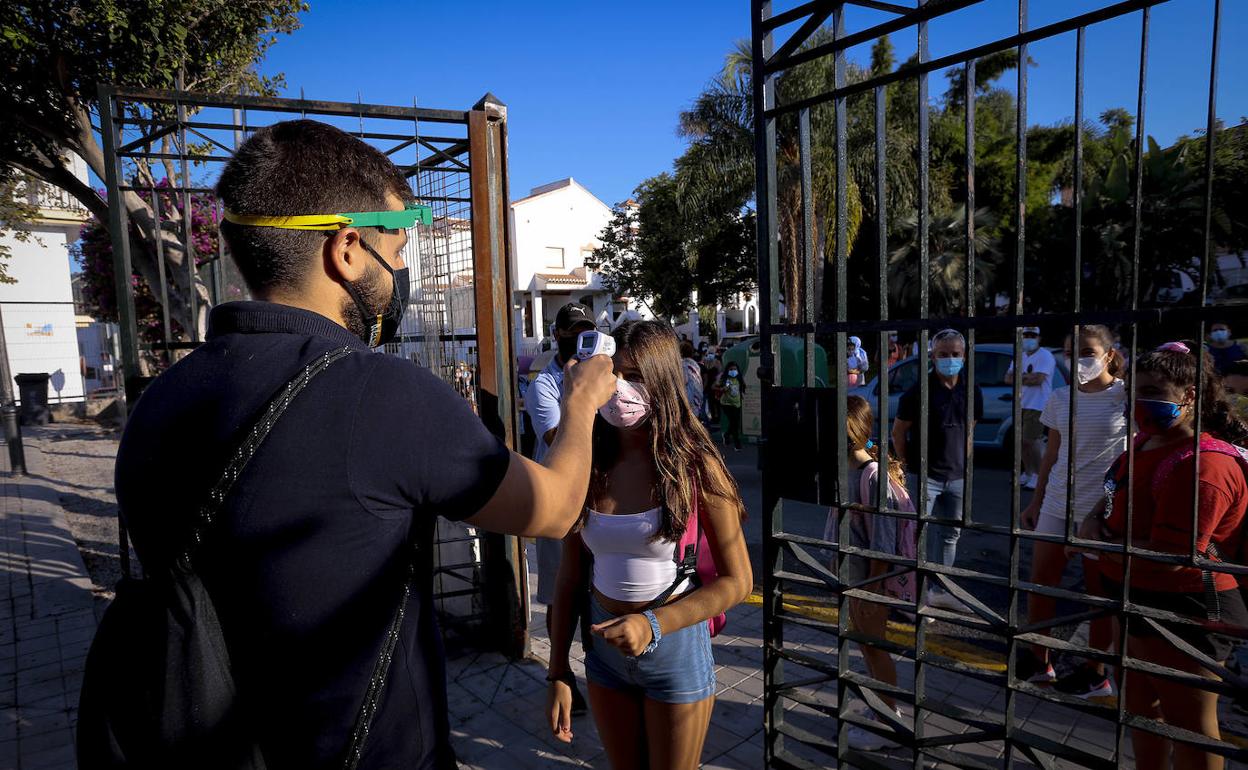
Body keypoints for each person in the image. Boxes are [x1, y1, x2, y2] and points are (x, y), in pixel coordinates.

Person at [109, 121, 618, 769]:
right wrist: (579, 405)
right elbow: (552, 508)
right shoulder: (380, 394)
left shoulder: (162, 401)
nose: (400, 270)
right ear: (347, 248)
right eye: (398, 247)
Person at [546, 320, 752, 769]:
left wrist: (653, 625)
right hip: (602, 655)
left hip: (675, 651)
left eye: (636, 376)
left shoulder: (697, 465)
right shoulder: (585, 461)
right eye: (613, 372)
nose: (620, 387)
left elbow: (739, 582)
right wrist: (558, 668)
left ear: (662, 381)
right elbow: (570, 576)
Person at [1078, 342, 1248, 770]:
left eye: (1152, 390)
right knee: (1142, 709)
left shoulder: (1204, 466)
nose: (1139, 401)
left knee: (1190, 727)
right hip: (1138, 594)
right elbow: (1115, 490)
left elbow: (1173, 556)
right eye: (1134, 390)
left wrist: (1100, 546)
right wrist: (1092, 522)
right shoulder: (1146, 441)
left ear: (1189, 395)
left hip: (1188, 609)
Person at [1019, 325, 1128, 696]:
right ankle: (1039, 661)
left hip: (1102, 511)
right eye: (1071, 351)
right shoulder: (1060, 398)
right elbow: (1051, 454)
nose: (1078, 358)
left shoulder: (1125, 397)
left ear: (1109, 355)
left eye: (1087, 350)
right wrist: (1035, 501)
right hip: (1056, 504)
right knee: (1039, 585)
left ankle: (1095, 672)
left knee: (1100, 597)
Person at [826, 395, 916, 750]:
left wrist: (871, 590)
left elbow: (883, 543)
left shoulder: (872, 477)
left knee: (875, 649)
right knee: (866, 648)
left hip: (868, 582)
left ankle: (888, 720)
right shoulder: (848, 469)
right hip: (854, 578)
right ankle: (881, 709)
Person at [525, 302, 598, 715]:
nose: (579, 337)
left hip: (597, 501)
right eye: (572, 330)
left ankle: (595, 673)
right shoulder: (547, 384)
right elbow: (558, 437)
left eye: (586, 329)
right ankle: (562, 672)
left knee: (594, 591)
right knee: (560, 592)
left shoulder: (602, 373)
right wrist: (582, 394)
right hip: (559, 502)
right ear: (558, 335)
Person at [892, 329, 983, 611]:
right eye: (943, 354)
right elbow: (898, 433)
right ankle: (912, 591)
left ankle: (940, 589)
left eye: (955, 354)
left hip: (957, 477)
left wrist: (964, 463)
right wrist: (907, 468)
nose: (950, 359)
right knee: (916, 533)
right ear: (932, 356)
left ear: (964, 356)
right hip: (925, 476)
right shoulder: (918, 392)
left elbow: (970, 429)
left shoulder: (972, 390)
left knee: (950, 535)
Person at [1005, 326, 1057, 490]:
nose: (1028, 338)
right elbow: (1007, 378)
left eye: (1032, 335)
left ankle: (1039, 474)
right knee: (1020, 442)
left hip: (1037, 405)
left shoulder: (1045, 356)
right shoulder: (1019, 355)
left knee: (1030, 441)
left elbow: (1039, 380)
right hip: (1021, 404)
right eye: (1025, 335)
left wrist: (1018, 377)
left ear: (1039, 338)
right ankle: (1028, 473)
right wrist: (1026, 378)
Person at [717, 362, 745, 451]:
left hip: (737, 404)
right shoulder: (725, 379)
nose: (733, 371)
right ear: (727, 370)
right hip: (726, 404)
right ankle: (737, 445)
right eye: (731, 369)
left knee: (734, 423)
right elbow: (715, 387)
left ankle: (726, 435)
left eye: (735, 369)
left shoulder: (739, 379)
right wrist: (722, 388)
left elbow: (741, 388)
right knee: (734, 423)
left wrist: (742, 394)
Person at [680, 340, 706, 421]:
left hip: (689, 399)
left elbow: (684, 381)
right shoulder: (695, 365)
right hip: (698, 396)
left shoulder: (683, 364)